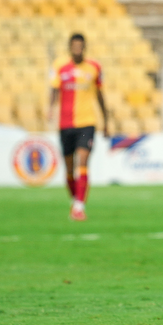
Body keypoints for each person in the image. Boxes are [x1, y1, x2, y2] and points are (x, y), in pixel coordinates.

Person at [48, 33, 108, 221]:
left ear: (84, 48)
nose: (77, 49)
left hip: (87, 123)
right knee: (69, 168)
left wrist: (106, 120)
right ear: (70, 47)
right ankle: (76, 201)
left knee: (82, 161)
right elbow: (54, 89)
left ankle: (79, 207)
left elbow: (100, 94)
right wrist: (50, 109)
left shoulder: (94, 67)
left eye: (80, 46)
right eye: (74, 46)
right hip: (66, 124)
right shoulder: (59, 66)